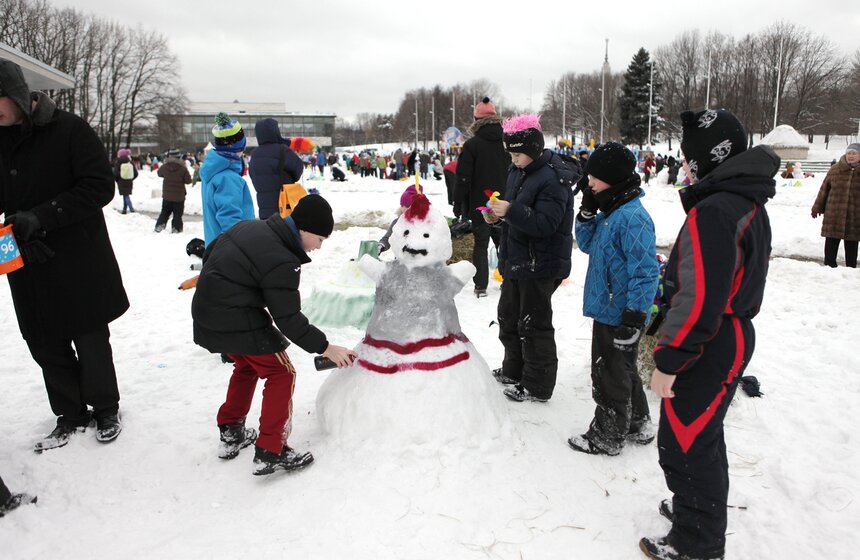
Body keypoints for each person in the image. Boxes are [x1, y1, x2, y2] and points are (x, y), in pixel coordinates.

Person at [641, 109, 779, 560]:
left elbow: (699, 298)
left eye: (688, 158)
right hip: (726, 335)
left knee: (683, 444)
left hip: (710, 339)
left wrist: (669, 359)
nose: (683, 166)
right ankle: (694, 510)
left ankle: (696, 542)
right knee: (702, 436)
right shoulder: (742, 202)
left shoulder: (715, 211)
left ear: (708, 158)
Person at [0, 60, 128, 451]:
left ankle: (105, 407)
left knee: (89, 335)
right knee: (42, 338)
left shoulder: (69, 129)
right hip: (25, 258)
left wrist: (41, 216)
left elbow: (99, 186)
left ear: (17, 95)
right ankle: (70, 412)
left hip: (77, 255)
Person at [191, 194, 356, 475]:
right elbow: (289, 319)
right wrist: (326, 348)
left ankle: (231, 430)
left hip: (207, 310)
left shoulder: (252, 226)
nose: (318, 247)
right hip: (234, 315)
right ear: (303, 229)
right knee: (282, 373)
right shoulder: (283, 258)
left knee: (247, 364)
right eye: (320, 238)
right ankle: (271, 450)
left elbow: (212, 252)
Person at [566, 142, 659, 456]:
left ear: (614, 178)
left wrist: (634, 315)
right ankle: (637, 422)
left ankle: (607, 434)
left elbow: (645, 272)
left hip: (618, 312)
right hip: (607, 306)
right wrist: (587, 211)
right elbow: (587, 244)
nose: (588, 183)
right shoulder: (611, 212)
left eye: (594, 178)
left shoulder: (633, 217)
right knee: (623, 370)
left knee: (609, 373)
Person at [485, 114, 578, 403]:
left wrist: (509, 211)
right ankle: (514, 370)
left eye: (517, 154)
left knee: (533, 324)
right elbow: (516, 215)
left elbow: (546, 224)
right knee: (509, 317)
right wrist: (496, 217)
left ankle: (537, 384)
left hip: (541, 263)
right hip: (516, 259)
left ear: (534, 150)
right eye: (510, 153)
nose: (512, 159)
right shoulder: (518, 171)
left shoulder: (553, 178)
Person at [455, 97, 509, 297]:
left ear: (476, 120)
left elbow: (463, 177)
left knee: (481, 243)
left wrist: (458, 202)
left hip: (480, 204)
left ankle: (480, 286)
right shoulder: (507, 142)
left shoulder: (472, 145)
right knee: (504, 242)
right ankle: (508, 281)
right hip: (505, 202)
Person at [200, 112, 256, 246]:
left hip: (216, 246)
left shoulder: (213, 172)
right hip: (231, 250)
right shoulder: (228, 178)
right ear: (239, 146)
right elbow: (230, 221)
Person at [811, 143, 860, 268]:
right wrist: (817, 207)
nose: (851, 156)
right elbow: (824, 190)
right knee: (831, 242)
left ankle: (851, 268)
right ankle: (829, 266)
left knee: (852, 244)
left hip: (855, 215)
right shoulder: (835, 169)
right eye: (849, 153)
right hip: (834, 214)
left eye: (854, 153)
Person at [248, 118, 304, 220]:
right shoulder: (282, 150)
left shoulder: (254, 154)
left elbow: (252, 174)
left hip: (264, 207)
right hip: (284, 203)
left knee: (270, 233)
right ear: (275, 131)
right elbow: (298, 169)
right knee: (286, 233)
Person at [154, 150, 191, 233]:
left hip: (167, 196)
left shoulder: (165, 167)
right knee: (177, 214)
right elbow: (188, 181)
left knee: (165, 212)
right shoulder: (182, 168)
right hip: (179, 197)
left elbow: (159, 173)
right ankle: (176, 229)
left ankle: (159, 226)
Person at [377, 184, 418, 254]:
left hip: (422, 261)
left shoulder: (423, 224)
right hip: (401, 261)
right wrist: (381, 245)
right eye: (402, 205)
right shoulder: (397, 223)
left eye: (408, 206)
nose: (404, 209)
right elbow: (387, 238)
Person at [114, 147, 137, 214]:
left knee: (126, 195)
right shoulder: (130, 162)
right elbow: (136, 173)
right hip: (129, 181)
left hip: (121, 182)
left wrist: (118, 179)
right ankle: (124, 209)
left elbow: (115, 173)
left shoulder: (118, 162)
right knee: (126, 194)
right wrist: (130, 178)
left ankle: (131, 209)